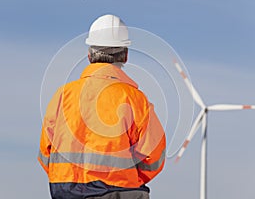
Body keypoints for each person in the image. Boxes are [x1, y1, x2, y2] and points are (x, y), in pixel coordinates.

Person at [38, 14, 166, 199]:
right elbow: (154, 157)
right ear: (125, 56)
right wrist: (128, 179)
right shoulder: (134, 99)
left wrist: (66, 178)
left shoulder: (62, 95)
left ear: (89, 55)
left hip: (64, 193)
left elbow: (45, 152)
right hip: (118, 192)